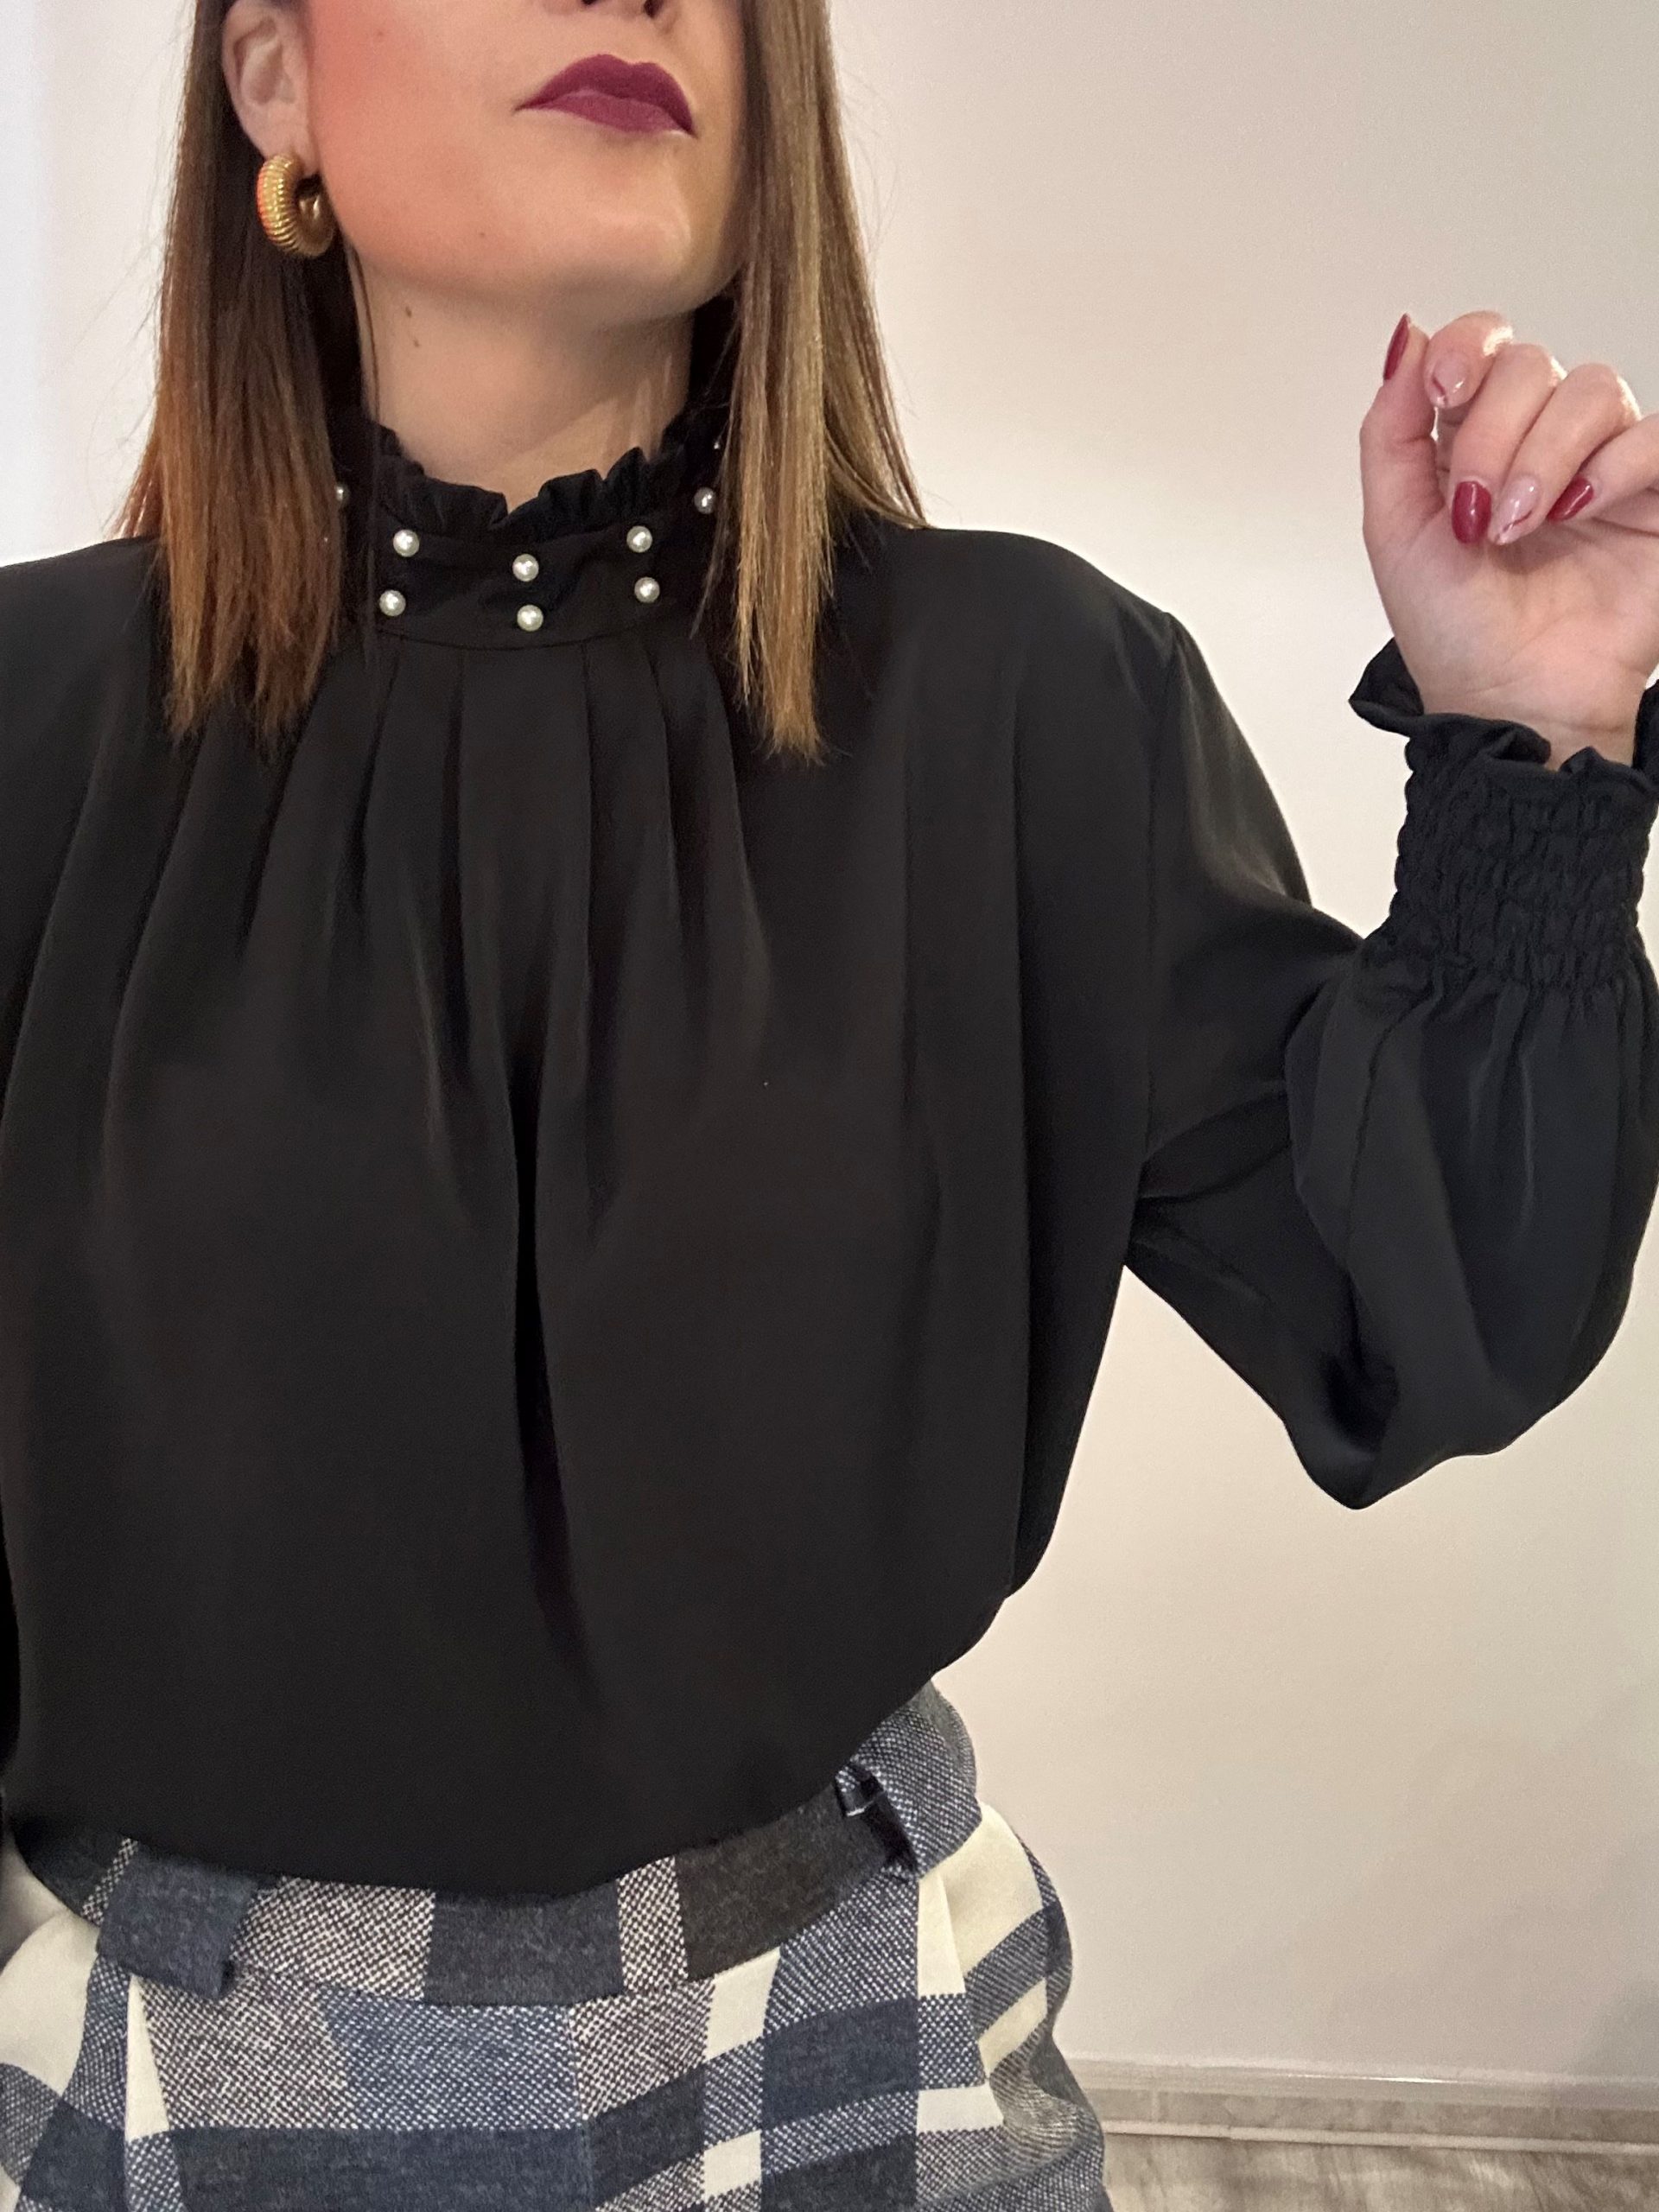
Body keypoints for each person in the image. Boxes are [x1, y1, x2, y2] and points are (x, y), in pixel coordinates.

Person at [1, 0, 1656, 2206]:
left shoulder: (1027, 703)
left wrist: (1535, 748)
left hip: (850, 2055)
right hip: (159, 2074)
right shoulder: (31, 733)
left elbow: (1429, 1317)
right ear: (270, 78)